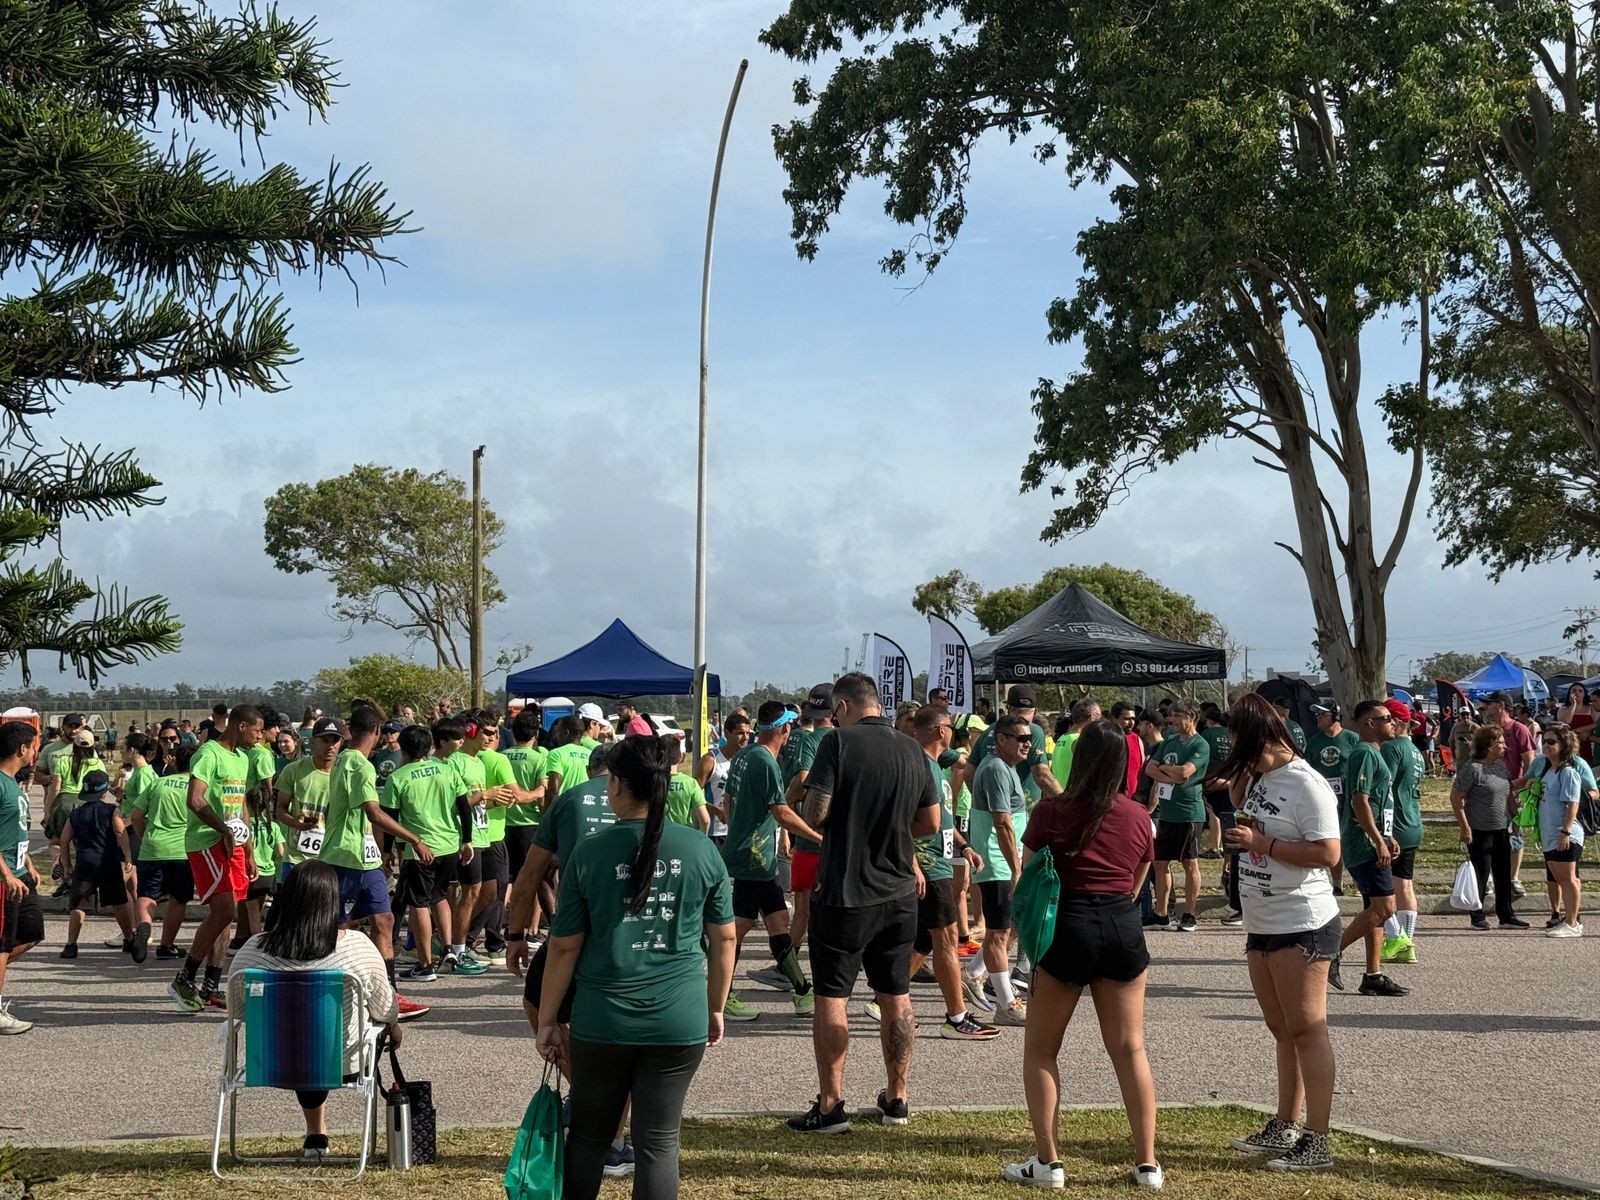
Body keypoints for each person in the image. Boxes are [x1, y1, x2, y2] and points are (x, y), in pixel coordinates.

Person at [537, 735, 734, 1200]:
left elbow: (563, 947)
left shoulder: (589, 853)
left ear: (618, 785)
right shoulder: (702, 849)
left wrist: (548, 1020)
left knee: (587, 1137)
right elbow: (724, 937)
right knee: (659, 1143)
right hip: (679, 1017)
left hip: (602, 1019)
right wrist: (716, 1007)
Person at [1005, 720, 1160, 1190]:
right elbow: (1138, 880)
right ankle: (1147, 1164)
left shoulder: (1053, 810)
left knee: (1042, 1050)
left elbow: (1031, 871)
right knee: (1131, 1049)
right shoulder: (1137, 816)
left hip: (1066, 927)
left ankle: (1048, 1163)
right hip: (1121, 925)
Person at [789, 673, 940, 1134]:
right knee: (896, 995)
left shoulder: (838, 744)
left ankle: (831, 1104)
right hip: (898, 893)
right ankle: (898, 1097)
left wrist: (835, 813)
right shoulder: (912, 748)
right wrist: (890, 831)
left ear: (844, 706)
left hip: (845, 891)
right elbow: (930, 823)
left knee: (832, 996)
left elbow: (815, 813)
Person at [1218, 693, 1341, 1172]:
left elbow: (1328, 853)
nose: (1235, 753)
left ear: (1262, 740)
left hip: (1302, 920)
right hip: (1261, 918)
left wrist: (1262, 843)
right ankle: (1286, 1123)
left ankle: (1318, 1137)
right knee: (1281, 1028)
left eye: (1239, 743)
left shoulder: (1308, 785)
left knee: (1308, 1028)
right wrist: (1243, 786)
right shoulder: (1262, 777)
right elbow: (1242, 805)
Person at [228, 861, 401, 1161]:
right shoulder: (357, 947)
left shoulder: (254, 949)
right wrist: (394, 1026)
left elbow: (238, 1010)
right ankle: (320, 1132)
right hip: (341, 1063)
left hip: (271, 1060)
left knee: (297, 1034)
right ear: (333, 901)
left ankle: (315, 1131)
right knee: (324, 1038)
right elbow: (384, 1007)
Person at [319, 706, 432, 1020]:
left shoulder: (350, 759)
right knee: (341, 927)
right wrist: (413, 839)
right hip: (344, 856)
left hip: (364, 856)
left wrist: (382, 851)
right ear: (379, 731)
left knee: (384, 921)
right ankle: (333, 994)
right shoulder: (356, 763)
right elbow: (372, 811)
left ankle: (389, 996)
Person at [719, 701, 820, 1020]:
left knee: (778, 923)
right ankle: (720, 995)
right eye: (791, 727)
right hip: (754, 856)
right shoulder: (765, 761)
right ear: (784, 728)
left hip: (752, 854)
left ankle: (803, 992)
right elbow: (781, 811)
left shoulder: (743, 755)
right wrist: (818, 838)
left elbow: (728, 801)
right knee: (737, 929)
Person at [170, 705, 266, 1012]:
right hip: (207, 841)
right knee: (224, 912)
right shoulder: (209, 753)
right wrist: (223, 830)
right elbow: (195, 799)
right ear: (240, 726)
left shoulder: (242, 759)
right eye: (257, 731)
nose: (260, 737)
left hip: (233, 844)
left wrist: (249, 849)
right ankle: (184, 978)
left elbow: (242, 807)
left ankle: (211, 986)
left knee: (228, 915)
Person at [908, 705, 995, 1041]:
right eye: (949, 728)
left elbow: (943, 815)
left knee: (925, 940)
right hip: (928, 863)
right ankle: (956, 1018)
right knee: (945, 939)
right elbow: (903, 820)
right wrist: (913, 862)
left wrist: (965, 845)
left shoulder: (934, 763)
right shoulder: (918, 765)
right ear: (940, 730)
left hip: (942, 858)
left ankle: (885, 1000)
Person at [1333, 701, 1408, 997]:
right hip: (1363, 844)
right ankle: (1330, 953)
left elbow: (1378, 803)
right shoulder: (1363, 753)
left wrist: (1387, 835)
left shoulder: (1375, 754)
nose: (1393, 722)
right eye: (1385, 718)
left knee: (1375, 910)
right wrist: (1377, 841)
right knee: (1386, 907)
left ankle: (1373, 975)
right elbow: (1359, 801)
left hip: (1376, 840)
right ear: (1368, 724)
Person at [965, 713, 1035, 1026]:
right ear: (1001, 739)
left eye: (1029, 738)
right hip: (997, 862)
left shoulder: (1005, 768)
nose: (1027, 744)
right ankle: (1006, 1004)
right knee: (998, 932)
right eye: (1020, 738)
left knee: (1012, 923)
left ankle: (976, 973)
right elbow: (1002, 822)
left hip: (1005, 860)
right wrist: (1016, 869)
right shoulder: (995, 768)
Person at [388, 724, 473, 982]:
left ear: (403, 750)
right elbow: (464, 806)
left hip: (420, 850)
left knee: (419, 903)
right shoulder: (447, 771)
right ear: (430, 747)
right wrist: (466, 840)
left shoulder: (398, 778)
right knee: (439, 896)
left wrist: (385, 853)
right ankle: (448, 948)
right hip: (449, 845)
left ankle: (425, 964)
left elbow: (390, 819)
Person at [57, 769, 137, 959]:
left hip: (85, 863)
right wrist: (127, 856)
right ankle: (128, 938)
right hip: (107, 862)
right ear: (103, 792)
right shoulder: (111, 810)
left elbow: (63, 839)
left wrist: (67, 865)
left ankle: (71, 945)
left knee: (78, 904)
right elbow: (120, 832)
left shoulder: (76, 814)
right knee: (119, 901)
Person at [129, 742, 197, 959]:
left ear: (175, 761)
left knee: (147, 893)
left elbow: (136, 817)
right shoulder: (198, 786)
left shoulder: (158, 783)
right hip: (183, 849)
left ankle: (144, 926)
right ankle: (167, 945)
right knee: (179, 899)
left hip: (153, 846)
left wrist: (145, 837)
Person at [1144, 700, 1208, 933]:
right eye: (1172, 716)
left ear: (1192, 717)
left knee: (1190, 863)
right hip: (1166, 812)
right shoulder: (1169, 741)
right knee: (1160, 863)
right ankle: (1160, 913)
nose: (1173, 721)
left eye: (1178, 716)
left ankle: (1189, 914)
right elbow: (1149, 768)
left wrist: (1167, 774)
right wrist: (1170, 776)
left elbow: (1185, 772)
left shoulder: (1199, 745)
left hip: (1189, 812)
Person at [778, 684, 833, 955]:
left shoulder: (809, 740)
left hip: (811, 837)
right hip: (843, 839)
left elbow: (801, 780)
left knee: (803, 908)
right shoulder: (849, 739)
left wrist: (786, 806)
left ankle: (785, 966)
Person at [1449, 724, 1519, 930]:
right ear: (1488, 745)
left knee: (1503, 872)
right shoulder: (1472, 769)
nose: (1504, 745)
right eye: (1500, 742)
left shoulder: (1501, 766)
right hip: (1479, 829)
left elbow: (1509, 795)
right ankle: (1476, 914)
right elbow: (1456, 798)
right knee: (1481, 872)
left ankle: (1506, 914)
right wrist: (1464, 826)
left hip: (1501, 828)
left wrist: (1515, 818)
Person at [0, 721, 43, 1034]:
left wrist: (27, 861)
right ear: (22, 748)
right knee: (2, 945)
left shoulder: (14, 783)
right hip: (4, 879)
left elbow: (13, 830)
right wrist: (6, 873)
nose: (34, 750)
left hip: (20, 872)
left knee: (31, 933)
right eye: (33, 745)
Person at [1379, 700, 1429, 962]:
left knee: (1382, 888)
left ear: (1396, 722)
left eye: (1386, 718)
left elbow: (1384, 788)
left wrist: (1383, 831)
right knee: (1405, 885)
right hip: (1412, 821)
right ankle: (1407, 941)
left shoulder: (1393, 748)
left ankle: (1398, 938)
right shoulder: (1415, 750)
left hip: (1395, 825)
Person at [274, 716, 344, 880]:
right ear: (313, 741)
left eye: (335, 741)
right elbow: (280, 809)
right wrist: (295, 823)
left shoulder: (346, 773)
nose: (330, 746)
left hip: (331, 858)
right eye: (325, 740)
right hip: (295, 858)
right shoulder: (293, 770)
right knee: (292, 905)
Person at [1305, 703, 1359, 898]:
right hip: (1324, 800)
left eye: (1322, 714)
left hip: (1350, 799)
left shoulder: (1352, 739)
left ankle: (1359, 883)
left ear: (1335, 716)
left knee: (1351, 841)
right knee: (1332, 839)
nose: (1318, 717)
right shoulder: (1314, 742)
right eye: (1317, 714)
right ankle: (1337, 884)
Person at [1484, 691, 1535, 896]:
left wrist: (1520, 787)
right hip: (1489, 791)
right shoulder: (1487, 731)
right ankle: (1488, 879)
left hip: (1514, 790)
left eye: (1489, 703)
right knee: (1489, 835)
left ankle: (1513, 878)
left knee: (1515, 834)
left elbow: (1530, 763)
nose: (1486, 707)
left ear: (1501, 705)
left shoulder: (1518, 729)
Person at [1537, 725, 1585, 937]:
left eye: (1551, 742)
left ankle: (1573, 923)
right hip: (1549, 834)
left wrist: (1565, 832)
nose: (1546, 746)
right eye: (1544, 741)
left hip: (1564, 833)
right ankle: (1568, 918)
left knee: (1568, 879)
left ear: (1563, 745)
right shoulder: (1549, 770)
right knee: (1559, 878)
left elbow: (1572, 804)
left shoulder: (1568, 772)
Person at [1558, 683, 1594, 763]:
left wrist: (1583, 729)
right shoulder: (1563, 709)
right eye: (1574, 690)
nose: (1577, 692)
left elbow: (1597, 724)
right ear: (1569, 694)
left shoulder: (1591, 708)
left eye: (1580, 691)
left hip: (1586, 743)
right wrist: (1573, 705)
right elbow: (1565, 722)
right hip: (1568, 745)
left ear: (1584, 694)